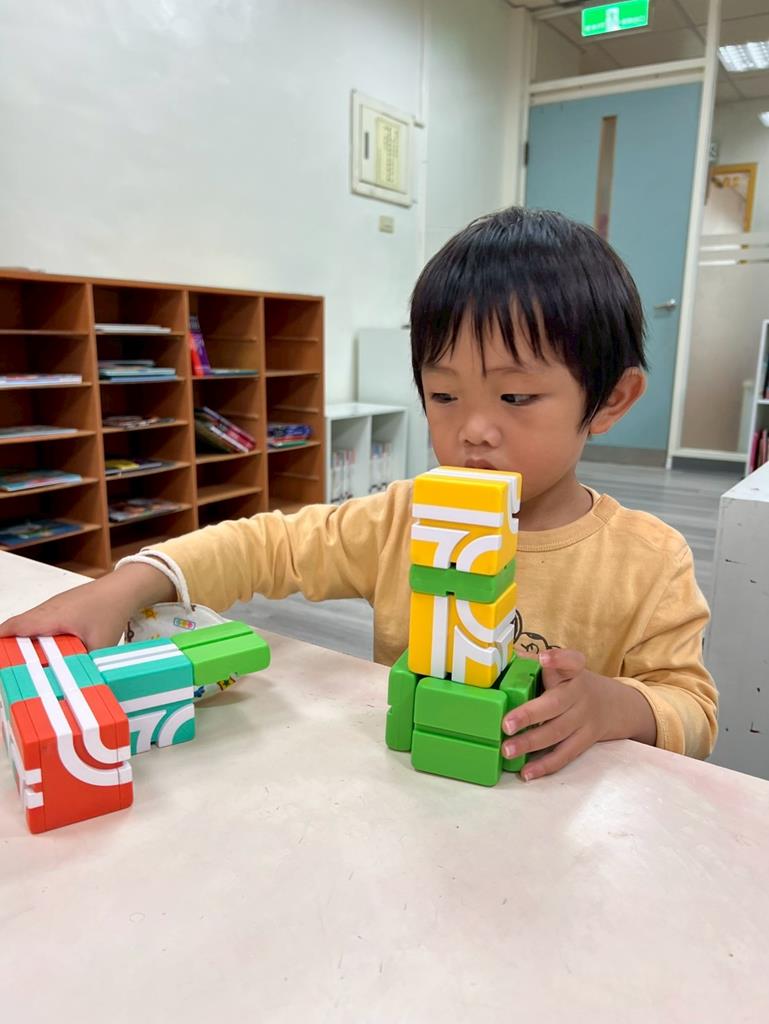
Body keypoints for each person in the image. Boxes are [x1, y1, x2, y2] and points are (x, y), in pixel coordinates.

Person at [0, 207, 717, 780]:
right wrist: (126, 584)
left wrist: (615, 706)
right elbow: (265, 545)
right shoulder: (404, 517)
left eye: (516, 396)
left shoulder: (648, 560)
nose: (473, 429)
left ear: (610, 399)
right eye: (443, 395)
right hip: (411, 804)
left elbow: (692, 709)